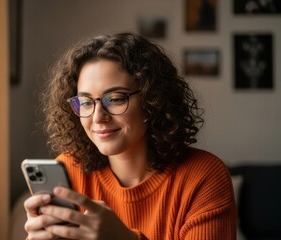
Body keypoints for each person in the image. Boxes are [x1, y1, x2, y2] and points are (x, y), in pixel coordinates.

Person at [24, 32, 236, 240]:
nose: (98, 117)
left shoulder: (203, 176)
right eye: (86, 102)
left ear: (151, 100)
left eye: (115, 99)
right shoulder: (68, 171)